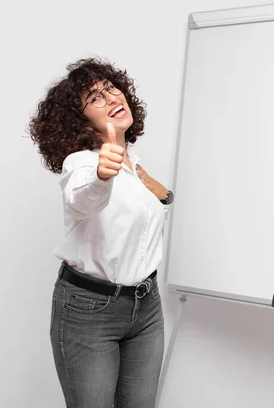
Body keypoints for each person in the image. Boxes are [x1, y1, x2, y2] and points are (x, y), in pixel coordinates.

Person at [28, 57, 174, 408]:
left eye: (110, 88)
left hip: (146, 308)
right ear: (81, 122)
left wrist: (165, 197)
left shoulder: (131, 159)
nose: (110, 97)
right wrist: (101, 176)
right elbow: (83, 198)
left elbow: (139, 223)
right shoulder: (82, 164)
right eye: (94, 98)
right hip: (89, 310)